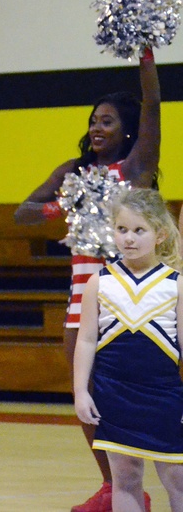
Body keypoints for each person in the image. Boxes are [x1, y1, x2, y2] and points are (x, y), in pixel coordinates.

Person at [15, 49, 161, 512]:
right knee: (87, 396)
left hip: (129, 297)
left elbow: (154, 108)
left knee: (134, 393)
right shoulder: (72, 172)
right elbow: (24, 212)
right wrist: (64, 206)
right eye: (94, 121)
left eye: (109, 122)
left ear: (127, 131)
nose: (98, 129)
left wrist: (147, 60)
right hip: (82, 296)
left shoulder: (135, 168)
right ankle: (110, 486)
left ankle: (145, 482)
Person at [74, 188, 183, 512]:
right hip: (114, 393)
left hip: (164, 395)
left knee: (176, 476)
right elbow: (86, 340)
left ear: (159, 234)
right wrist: (81, 391)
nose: (129, 239)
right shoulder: (99, 282)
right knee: (125, 475)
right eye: (122, 230)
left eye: (139, 230)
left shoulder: (175, 284)